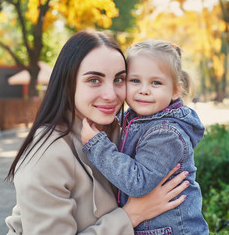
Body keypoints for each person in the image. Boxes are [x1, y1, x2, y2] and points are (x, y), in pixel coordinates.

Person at [5, 30, 190, 235]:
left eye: (119, 79)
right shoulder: (46, 155)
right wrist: (131, 216)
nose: (111, 95)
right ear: (68, 83)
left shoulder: (123, 131)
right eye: (94, 80)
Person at [81, 39, 209, 234]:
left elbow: (137, 183)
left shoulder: (166, 133)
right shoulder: (135, 118)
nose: (144, 90)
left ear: (175, 90)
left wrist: (96, 145)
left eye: (155, 82)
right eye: (135, 81)